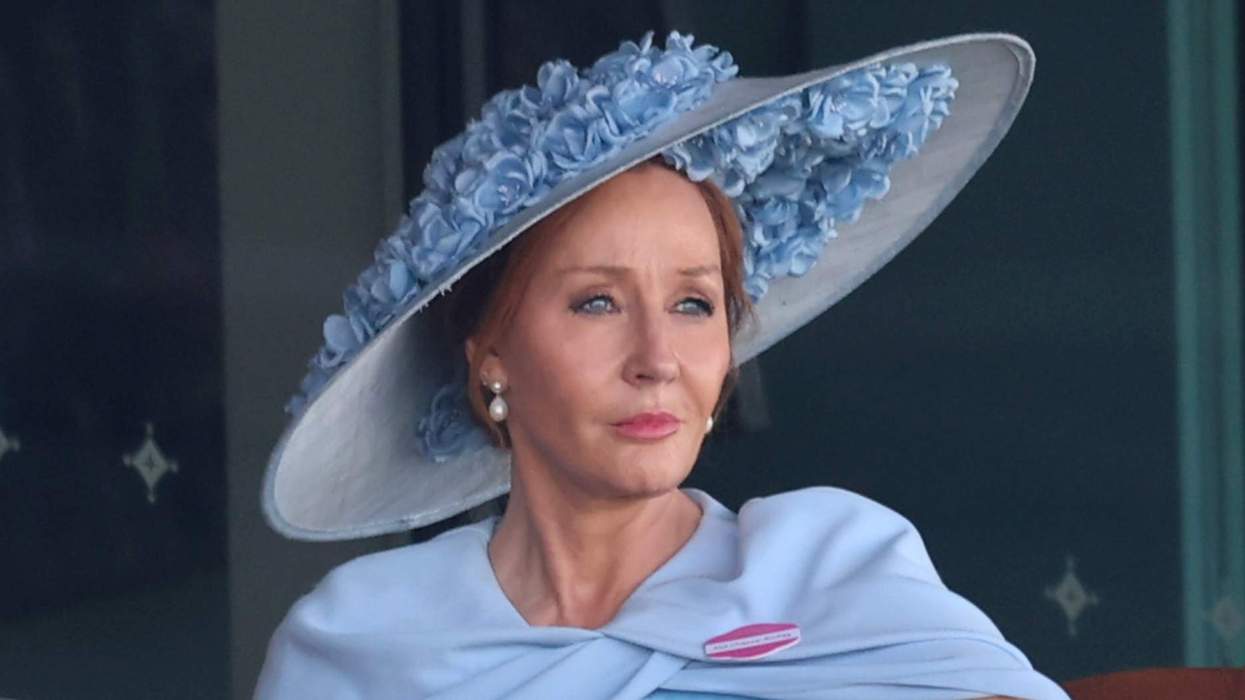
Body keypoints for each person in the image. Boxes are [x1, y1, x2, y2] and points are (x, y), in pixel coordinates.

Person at [255, 30, 1069, 699]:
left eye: (692, 305)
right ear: (491, 356)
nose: (657, 361)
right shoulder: (360, 637)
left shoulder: (828, 559)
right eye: (597, 303)